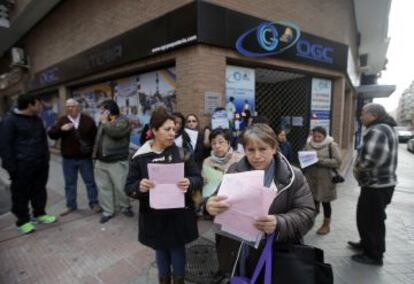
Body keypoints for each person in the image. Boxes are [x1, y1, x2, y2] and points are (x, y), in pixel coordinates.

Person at [206, 123, 316, 280]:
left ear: (274, 148)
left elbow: (308, 213)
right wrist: (209, 205)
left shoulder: (293, 177)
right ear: (244, 150)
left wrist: (279, 223)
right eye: (251, 150)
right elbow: (216, 199)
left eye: (263, 149)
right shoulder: (234, 171)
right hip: (237, 253)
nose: (257, 156)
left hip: (276, 255)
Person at [124, 107, 202, 284]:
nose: (172, 133)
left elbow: (198, 178)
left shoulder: (182, 153)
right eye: (167, 129)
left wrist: (190, 182)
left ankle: (179, 280)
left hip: (179, 215)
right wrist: (139, 186)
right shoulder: (140, 157)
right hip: (154, 216)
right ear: (154, 130)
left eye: (174, 129)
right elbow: (128, 187)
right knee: (160, 250)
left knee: (177, 250)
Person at [349, 103, 398, 266]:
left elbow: (373, 159)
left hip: (377, 185)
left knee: (372, 220)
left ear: (374, 115)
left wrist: (357, 169)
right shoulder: (385, 127)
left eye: (363, 113)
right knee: (365, 217)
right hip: (378, 185)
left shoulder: (378, 130)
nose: (361, 117)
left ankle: (374, 255)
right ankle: (366, 244)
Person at [0, 94, 57, 234]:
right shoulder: (9, 121)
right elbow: (4, 147)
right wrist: (11, 168)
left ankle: (40, 214)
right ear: (30, 105)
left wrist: (46, 158)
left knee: (39, 190)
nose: (41, 106)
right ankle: (23, 221)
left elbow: (43, 141)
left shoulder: (37, 119)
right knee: (20, 194)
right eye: (38, 104)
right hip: (21, 167)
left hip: (40, 164)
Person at [48, 98, 101, 216]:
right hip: (68, 159)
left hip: (84, 159)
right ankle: (71, 205)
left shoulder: (88, 120)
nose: (69, 108)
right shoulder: (62, 120)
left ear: (78, 107)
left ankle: (94, 202)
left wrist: (93, 152)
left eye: (72, 106)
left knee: (90, 182)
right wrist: (61, 129)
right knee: (70, 184)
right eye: (67, 107)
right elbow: (52, 135)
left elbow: (95, 138)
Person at [93, 100, 133, 224]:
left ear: (109, 110)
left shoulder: (123, 121)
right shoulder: (103, 122)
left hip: (117, 161)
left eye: (102, 110)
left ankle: (125, 206)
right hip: (101, 161)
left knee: (121, 187)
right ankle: (108, 211)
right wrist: (95, 154)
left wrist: (105, 122)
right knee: (104, 187)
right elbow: (98, 138)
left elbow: (116, 133)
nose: (100, 112)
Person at [304, 126, 341, 235]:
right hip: (311, 178)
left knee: (326, 203)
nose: (316, 138)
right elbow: (304, 158)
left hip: (326, 180)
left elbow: (337, 162)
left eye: (319, 136)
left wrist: (320, 161)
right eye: (315, 136)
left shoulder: (331, 145)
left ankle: (326, 225)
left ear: (324, 136)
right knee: (312, 202)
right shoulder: (308, 144)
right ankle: (309, 222)